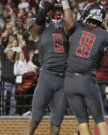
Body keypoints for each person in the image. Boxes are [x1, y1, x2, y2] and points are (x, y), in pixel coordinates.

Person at [63, 2, 108, 135]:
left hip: (69, 81)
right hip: (87, 81)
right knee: (100, 121)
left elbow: (69, 23)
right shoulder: (106, 35)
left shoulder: (76, 26)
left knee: (82, 123)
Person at [26, 0, 74, 135]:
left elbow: (70, 27)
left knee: (56, 122)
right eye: (54, 9)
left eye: (59, 9)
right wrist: (45, 7)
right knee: (35, 119)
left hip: (64, 78)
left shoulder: (65, 25)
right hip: (47, 75)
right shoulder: (40, 27)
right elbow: (37, 25)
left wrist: (65, 3)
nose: (57, 12)